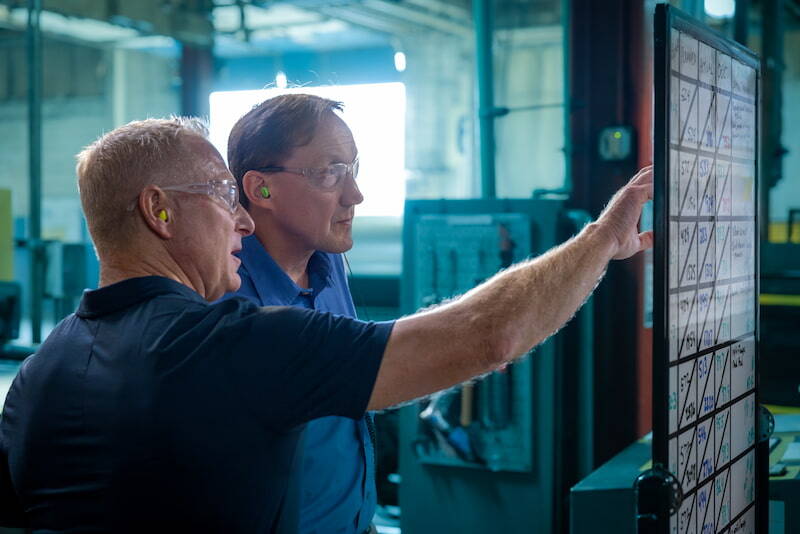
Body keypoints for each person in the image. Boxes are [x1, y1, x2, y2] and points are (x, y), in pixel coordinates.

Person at [0, 116, 652, 533]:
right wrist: (599, 241)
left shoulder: (37, 377)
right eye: (223, 196)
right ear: (159, 212)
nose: (244, 221)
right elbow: (488, 334)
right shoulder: (234, 344)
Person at [225, 94, 374, 534]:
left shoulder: (329, 266)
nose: (355, 195)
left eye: (353, 170)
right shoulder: (225, 302)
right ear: (260, 189)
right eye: (330, 173)